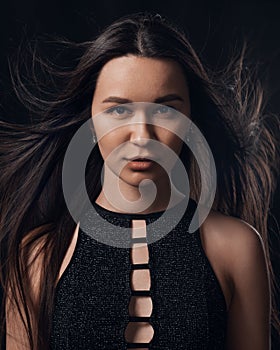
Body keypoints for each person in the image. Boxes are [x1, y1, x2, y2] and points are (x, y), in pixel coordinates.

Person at [0, 12, 279, 350]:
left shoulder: (237, 249)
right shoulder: (38, 257)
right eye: (118, 110)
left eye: (165, 110)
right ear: (89, 119)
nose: (141, 135)